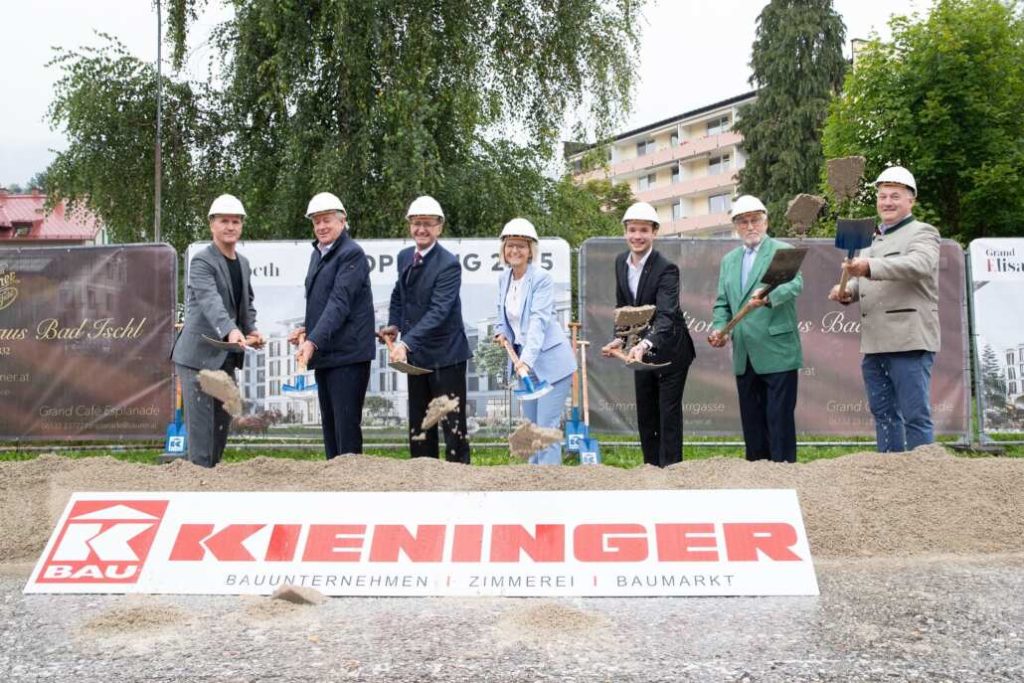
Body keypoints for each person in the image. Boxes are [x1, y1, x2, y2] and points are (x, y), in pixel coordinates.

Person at [828, 166, 940, 452]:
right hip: (874, 343)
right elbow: (865, 282)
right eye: (882, 196)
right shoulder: (871, 239)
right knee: (884, 415)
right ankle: (891, 474)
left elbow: (919, 265)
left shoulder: (923, 233)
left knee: (915, 416)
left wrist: (868, 267)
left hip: (909, 341)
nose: (887, 202)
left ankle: (925, 480)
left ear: (911, 201)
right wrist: (847, 292)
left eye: (895, 196)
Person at [708, 195, 803, 463]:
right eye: (743, 222)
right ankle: (757, 478)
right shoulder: (729, 261)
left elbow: (794, 285)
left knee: (779, 421)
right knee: (752, 423)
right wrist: (720, 329)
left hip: (778, 351)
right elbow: (722, 303)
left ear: (766, 221)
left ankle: (784, 475)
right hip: (744, 353)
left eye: (755, 220)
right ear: (736, 227)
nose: (750, 226)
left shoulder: (781, 250)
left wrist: (768, 297)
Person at [171, 194, 264, 467]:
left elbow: (245, 304)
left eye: (236, 221)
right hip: (197, 359)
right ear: (212, 225)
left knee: (220, 429)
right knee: (201, 433)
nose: (231, 226)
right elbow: (211, 302)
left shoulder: (243, 264)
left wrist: (252, 331)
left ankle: (210, 485)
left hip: (224, 360)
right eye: (224, 221)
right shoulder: (202, 262)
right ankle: (198, 489)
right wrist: (231, 331)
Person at [600, 201, 696, 467]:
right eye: (632, 230)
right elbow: (624, 309)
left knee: (668, 416)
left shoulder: (667, 268)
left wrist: (644, 344)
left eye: (644, 230)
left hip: (670, 352)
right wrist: (620, 339)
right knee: (646, 416)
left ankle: (673, 473)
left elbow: (666, 316)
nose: (637, 236)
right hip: (638, 353)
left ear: (654, 232)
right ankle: (650, 471)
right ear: (625, 232)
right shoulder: (621, 263)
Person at [378, 196, 471, 463]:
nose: (421, 229)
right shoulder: (405, 257)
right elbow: (399, 294)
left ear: (439, 227)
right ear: (410, 226)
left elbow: (439, 312)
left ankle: (460, 481)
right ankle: (421, 480)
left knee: (452, 426)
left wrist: (405, 344)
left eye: (428, 224)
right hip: (418, 359)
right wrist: (395, 325)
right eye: (417, 223)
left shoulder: (448, 264)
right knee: (420, 425)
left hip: (447, 358)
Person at [289, 192, 375, 459]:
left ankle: (351, 490)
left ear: (342, 221)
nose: (321, 226)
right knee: (330, 427)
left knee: (346, 429)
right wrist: (307, 329)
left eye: (327, 220)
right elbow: (322, 303)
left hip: (348, 356)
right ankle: (334, 489)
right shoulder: (319, 253)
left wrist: (312, 341)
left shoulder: (352, 254)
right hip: (327, 354)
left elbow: (339, 303)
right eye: (316, 222)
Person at [493, 218, 577, 465]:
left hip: (550, 364)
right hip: (524, 364)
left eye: (521, 245)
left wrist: (525, 363)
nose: (515, 250)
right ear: (504, 249)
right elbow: (503, 315)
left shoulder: (541, 278)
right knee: (531, 429)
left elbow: (538, 323)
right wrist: (501, 332)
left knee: (545, 428)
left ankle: (549, 484)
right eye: (510, 245)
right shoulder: (504, 279)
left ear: (531, 250)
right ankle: (533, 483)